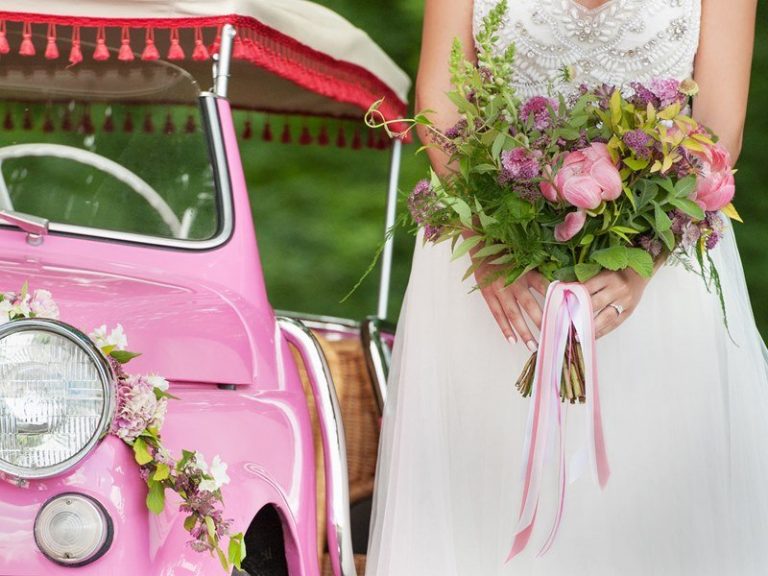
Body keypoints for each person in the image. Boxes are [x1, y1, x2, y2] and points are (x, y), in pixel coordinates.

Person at [365, 1, 767, 575]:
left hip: (658, 270)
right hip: (494, 264)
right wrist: (487, 241)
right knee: (482, 510)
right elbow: (441, 97)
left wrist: (643, 259)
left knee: (652, 512)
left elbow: (719, 128)